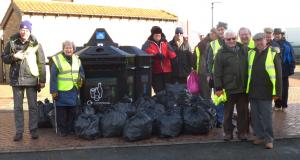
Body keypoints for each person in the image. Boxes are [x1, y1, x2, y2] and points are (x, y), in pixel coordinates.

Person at [1, 20, 46, 141]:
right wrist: (14, 56)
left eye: (26, 30)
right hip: (16, 80)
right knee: (18, 108)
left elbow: (41, 62)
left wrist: (42, 80)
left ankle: (33, 130)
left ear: (30, 31)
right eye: (22, 29)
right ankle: (19, 132)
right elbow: (4, 58)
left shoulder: (36, 43)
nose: (23, 32)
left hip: (31, 79)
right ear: (19, 30)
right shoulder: (11, 42)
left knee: (32, 107)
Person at [246, 33, 282, 149]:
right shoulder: (251, 53)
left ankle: (269, 139)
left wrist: (278, 92)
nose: (259, 43)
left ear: (266, 40)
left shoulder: (273, 53)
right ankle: (260, 136)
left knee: (266, 117)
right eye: (256, 41)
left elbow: (278, 74)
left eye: (260, 40)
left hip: (266, 92)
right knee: (255, 117)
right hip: (253, 91)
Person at [213, 31, 249, 141]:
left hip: (242, 87)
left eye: (233, 38)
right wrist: (218, 87)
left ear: (236, 38)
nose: (232, 41)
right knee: (227, 113)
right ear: (225, 40)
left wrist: (273, 49)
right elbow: (217, 72)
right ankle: (228, 132)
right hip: (228, 88)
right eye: (229, 39)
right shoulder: (220, 53)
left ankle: (242, 132)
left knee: (243, 113)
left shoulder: (244, 50)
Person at [50, 41, 84, 137]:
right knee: (61, 112)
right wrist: (53, 91)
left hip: (73, 90)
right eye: (66, 48)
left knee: (72, 111)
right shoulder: (57, 60)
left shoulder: (77, 59)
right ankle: (62, 130)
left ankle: (70, 129)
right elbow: (53, 77)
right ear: (63, 49)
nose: (68, 50)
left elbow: (81, 73)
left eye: (70, 48)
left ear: (73, 49)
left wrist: (80, 79)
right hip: (61, 91)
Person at [142, 26, 176, 93]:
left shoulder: (165, 42)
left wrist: (172, 57)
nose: (158, 37)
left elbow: (172, 54)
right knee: (158, 90)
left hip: (167, 71)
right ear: (153, 35)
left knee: (168, 90)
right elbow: (144, 50)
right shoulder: (148, 43)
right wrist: (155, 54)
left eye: (159, 35)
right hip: (156, 71)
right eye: (156, 35)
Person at [207, 22, 228, 128]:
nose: (221, 31)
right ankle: (220, 120)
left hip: (229, 76)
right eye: (219, 29)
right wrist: (209, 74)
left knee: (228, 98)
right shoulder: (213, 44)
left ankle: (227, 119)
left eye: (222, 29)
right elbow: (209, 61)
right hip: (217, 77)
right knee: (219, 98)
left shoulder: (231, 41)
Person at [273, 28, 296, 112]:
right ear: (273, 35)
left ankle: (284, 105)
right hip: (274, 70)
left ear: (281, 34)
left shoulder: (287, 44)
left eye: (278, 33)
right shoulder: (271, 43)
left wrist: (292, 67)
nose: (277, 35)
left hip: (285, 69)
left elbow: (292, 55)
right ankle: (277, 105)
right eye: (275, 34)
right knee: (276, 88)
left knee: (285, 88)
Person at [193, 28, 218, 99]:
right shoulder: (206, 44)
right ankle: (206, 108)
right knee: (206, 93)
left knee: (206, 92)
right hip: (204, 72)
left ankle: (206, 106)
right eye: (216, 35)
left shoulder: (204, 42)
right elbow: (195, 56)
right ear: (212, 34)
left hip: (205, 71)